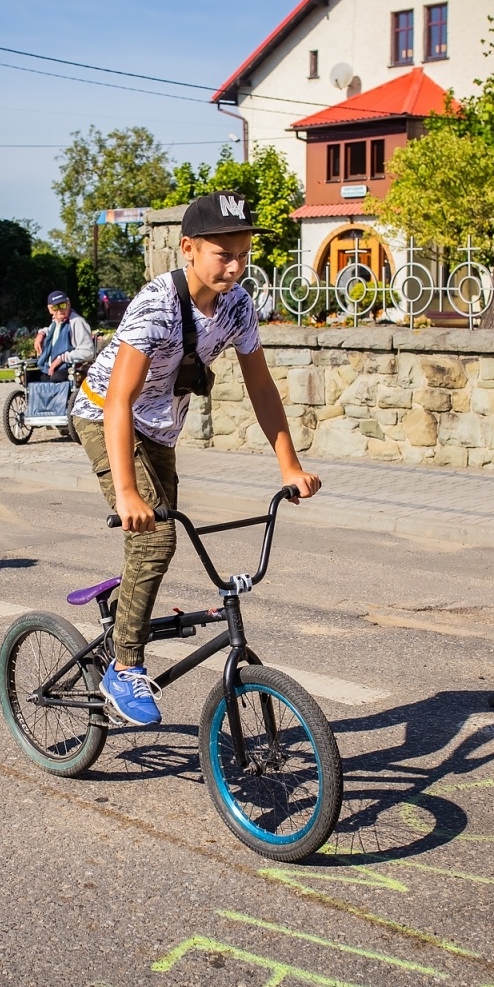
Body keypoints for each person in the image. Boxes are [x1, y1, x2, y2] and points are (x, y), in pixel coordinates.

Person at [69, 191, 322, 726]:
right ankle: (125, 666)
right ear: (188, 248)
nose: (235, 265)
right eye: (221, 254)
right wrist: (127, 493)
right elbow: (118, 401)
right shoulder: (156, 305)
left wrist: (289, 467)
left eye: (242, 253)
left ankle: (125, 609)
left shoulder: (237, 305)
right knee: (155, 535)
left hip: (161, 428)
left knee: (156, 539)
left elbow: (261, 386)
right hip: (104, 415)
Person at [32, 290, 95, 382]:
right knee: (31, 378)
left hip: (68, 368)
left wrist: (61, 358)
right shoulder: (56, 322)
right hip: (49, 367)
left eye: (62, 305)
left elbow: (88, 352)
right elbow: (51, 331)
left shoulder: (77, 322)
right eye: (55, 307)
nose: (60, 310)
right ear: (50, 309)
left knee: (55, 381)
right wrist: (40, 334)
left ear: (68, 303)